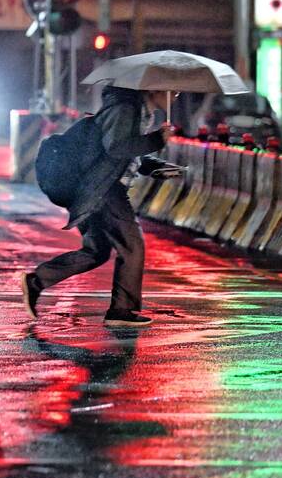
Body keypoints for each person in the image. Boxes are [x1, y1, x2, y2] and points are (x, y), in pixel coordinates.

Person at [20, 86, 175, 327]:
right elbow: (116, 147)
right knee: (132, 245)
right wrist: (156, 139)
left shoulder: (141, 112)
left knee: (97, 251)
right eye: (172, 92)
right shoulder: (125, 108)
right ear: (155, 89)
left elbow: (125, 153)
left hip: (96, 188)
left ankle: (36, 281)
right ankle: (121, 311)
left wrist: (155, 166)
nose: (174, 97)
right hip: (104, 188)